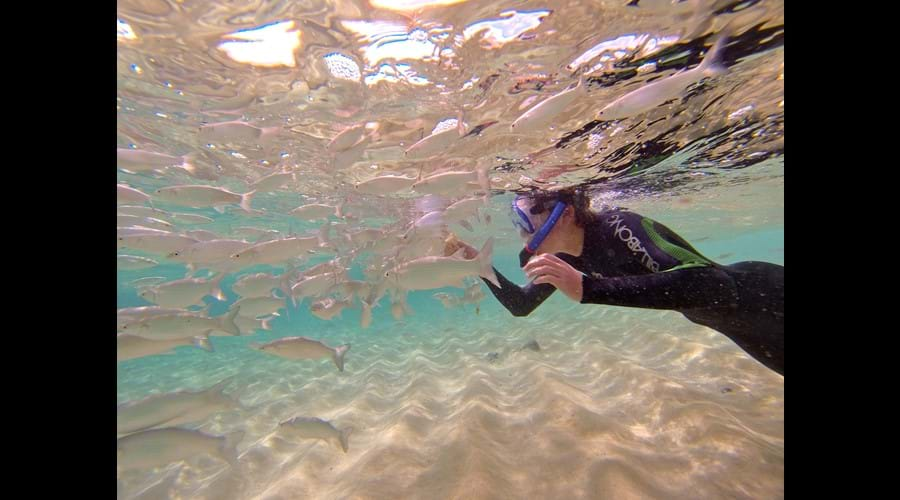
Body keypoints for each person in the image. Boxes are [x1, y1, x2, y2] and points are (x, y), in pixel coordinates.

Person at [446, 187, 784, 376]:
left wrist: (587, 289)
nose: (520, 230)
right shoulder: (566, 257)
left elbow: (714, 285)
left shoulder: (619, 226)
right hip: (743, 326)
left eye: (524, 217)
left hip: (763, 293)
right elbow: (521, 305)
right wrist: (478, 264)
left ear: (564, 213)